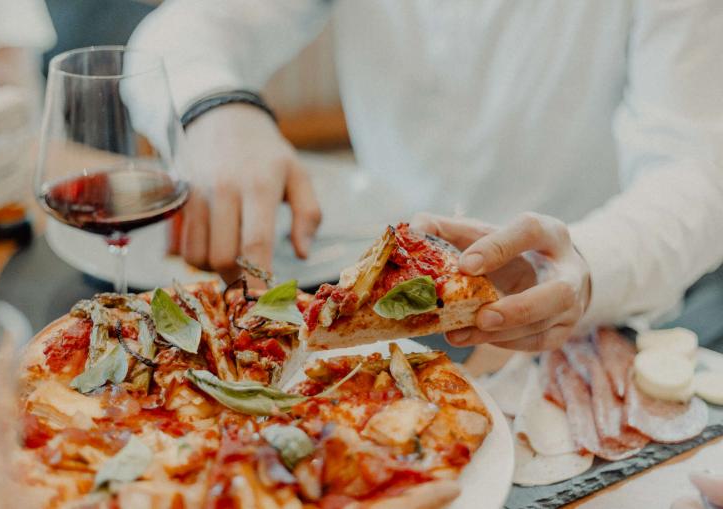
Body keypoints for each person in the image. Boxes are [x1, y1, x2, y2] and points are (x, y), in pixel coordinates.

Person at [129, 1, 723, 351]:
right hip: (381, 298)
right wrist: (217, 109)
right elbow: (185, 29)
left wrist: (589, 265)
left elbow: (696, 167)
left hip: (608, 303)